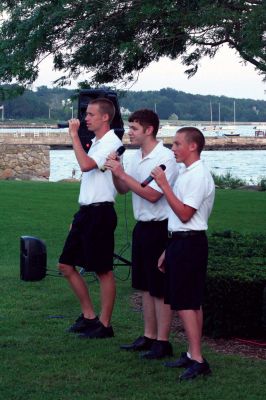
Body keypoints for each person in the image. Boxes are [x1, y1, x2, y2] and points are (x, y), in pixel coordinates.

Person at [105, 109, 178, 359]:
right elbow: (124, 190)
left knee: (159, 288)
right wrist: (117, 172)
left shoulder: (165, 157)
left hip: (160, 227)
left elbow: (153, 194)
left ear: (149, 130)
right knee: (145, 286)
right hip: (142, 227)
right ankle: (148, 336)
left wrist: (122, 173)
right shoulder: (135, 157)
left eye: (134, 128)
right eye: (129, 127)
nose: (129, 133)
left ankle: (163, 341)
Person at [151, 127, 215, 380]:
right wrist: (169, 249)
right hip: (181, 241)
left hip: (191, 243)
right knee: (190, 301)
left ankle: (198, 359)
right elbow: (182, 220)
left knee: (187, 303)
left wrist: (164, 186)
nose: (173, 149)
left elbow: (186, 214)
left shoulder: (199, 175)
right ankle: (191, 354)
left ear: (192, 146)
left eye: (177, 144)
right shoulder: (187, 173)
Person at [58, 98, 123, 339]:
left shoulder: (112, 142)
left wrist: (74, 135)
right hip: (86, 211)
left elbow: (85, 165)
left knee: (103, 270)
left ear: (105, 117)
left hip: (101, 212)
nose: (86, 118)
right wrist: (79, 216)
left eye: (91, 114)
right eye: (86, 114)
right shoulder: (96, 142)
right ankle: (89, 316)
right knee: (65, 264)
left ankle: (104, 325)